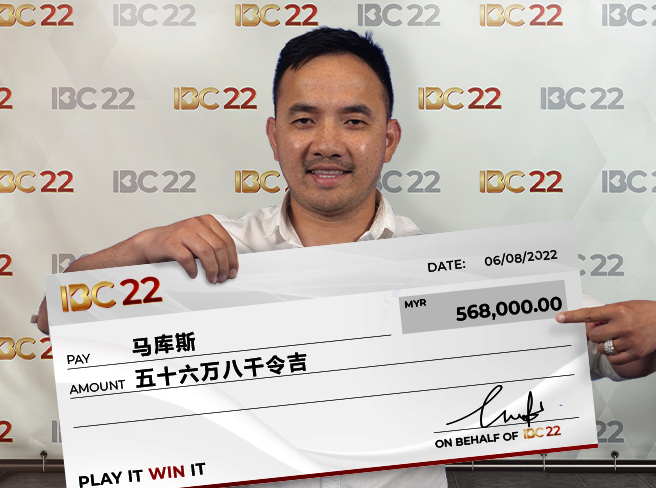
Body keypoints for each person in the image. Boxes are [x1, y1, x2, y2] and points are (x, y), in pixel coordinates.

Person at [34, 27, 656, 487]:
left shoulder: (448, 271)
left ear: (389, 138)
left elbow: (608, 345)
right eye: (304, 120)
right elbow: (55, 320)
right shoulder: (208, 255)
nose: (326, 144)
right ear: (274, 136)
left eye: (353, 121)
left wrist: (647, 332)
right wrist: (137, 248)